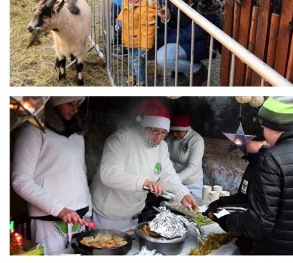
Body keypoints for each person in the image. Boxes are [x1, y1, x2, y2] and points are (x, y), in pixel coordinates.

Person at [211, 96, 293, 255]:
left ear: (274, 127)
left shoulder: (270, 160)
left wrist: (223, 219)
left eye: (264, 127)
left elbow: (258, 224)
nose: (263, 132)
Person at [90, 98, 198, 230]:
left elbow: (167, 174)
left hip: (134, 215)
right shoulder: (121, 139)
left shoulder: (162, 146)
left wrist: (182, 194)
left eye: (164, 133)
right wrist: (144, 183)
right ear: (143, 126)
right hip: (107, 216)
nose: (159, 137)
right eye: (155, 131)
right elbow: (108, 174)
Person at [11, 97, 92, 255]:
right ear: (53, 103)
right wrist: (59, 209)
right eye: (70, 103)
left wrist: (88, 212)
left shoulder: (77, 135)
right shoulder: (32, 131)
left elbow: (82, 174)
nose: (75, 110)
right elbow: (20, 180)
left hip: (80, 218)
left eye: (78, 104)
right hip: (48, 220)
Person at [205, 134, 268, 254]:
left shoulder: (265, 165)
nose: (241, 146)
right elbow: (243, 195)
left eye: (245, 141)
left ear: (257, 139)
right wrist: (222, 202)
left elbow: (251, 206)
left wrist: (222, 215)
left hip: (256, 243)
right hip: (247, 235)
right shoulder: (254, 161)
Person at [116, 0, 157, 86]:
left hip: (138, 43)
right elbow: (123, 13)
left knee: (138, 64)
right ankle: (132, 80)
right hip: (128, 39)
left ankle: (140, 83)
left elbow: (148, 30)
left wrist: (144, 47)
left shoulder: (146, 9)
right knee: (131, 62)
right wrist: (119, 21)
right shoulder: (128, 1)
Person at [167, 113, 205, 199]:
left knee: (191, 209)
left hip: (191, 183)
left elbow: (193, 167)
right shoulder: (170, 138)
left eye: (178, 131)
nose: (174, 134)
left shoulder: (196, 140)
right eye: (173, 131)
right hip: (173, 181)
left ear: (186, 129)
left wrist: (174, 180)